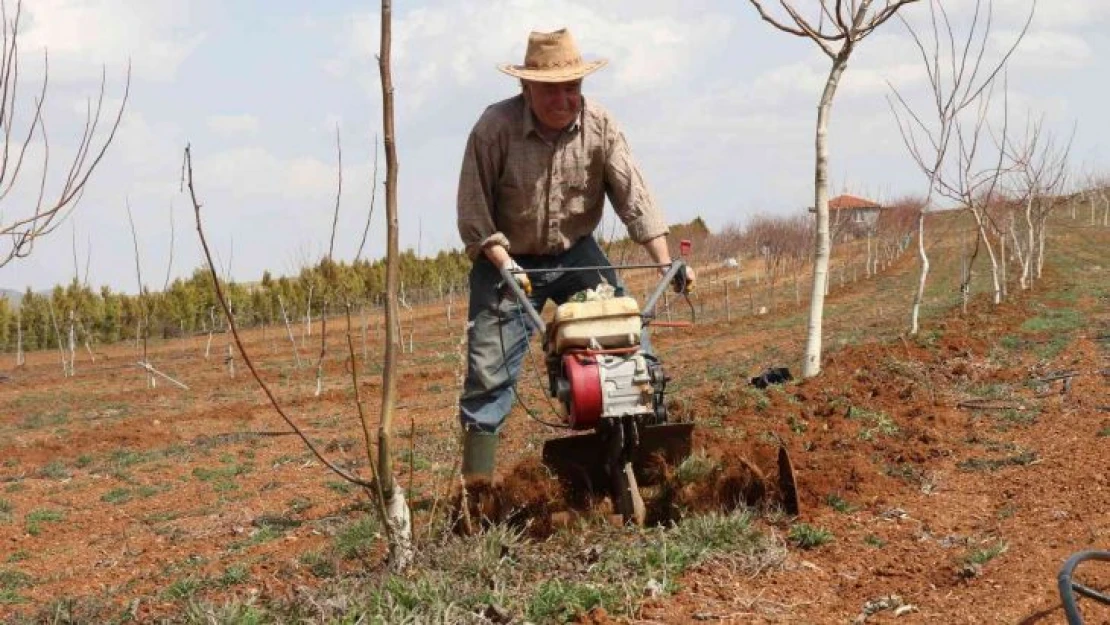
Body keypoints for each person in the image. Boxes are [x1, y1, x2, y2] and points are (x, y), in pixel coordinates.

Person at [455, 28, 695, 484]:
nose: (564, 98)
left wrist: (666, 261)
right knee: (488, 373)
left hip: (577, 254)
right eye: (552, 89)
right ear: (526, 88)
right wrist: (503, 262)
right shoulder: (494, 129)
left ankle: (639, 451)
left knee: (629, 343)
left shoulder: (600, 124)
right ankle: (477, 489)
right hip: (506, 259)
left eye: (573, 87)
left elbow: (634, 197)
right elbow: (473, 211)